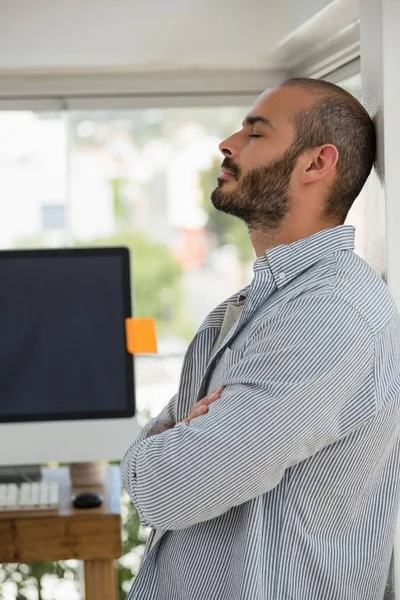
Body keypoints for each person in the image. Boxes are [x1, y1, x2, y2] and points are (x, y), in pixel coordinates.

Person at [121, 78, 400, 600]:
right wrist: (179, 436)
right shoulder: (263, 305)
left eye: (255, 132)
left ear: (316, 164)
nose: (227, 142)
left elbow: (169, 488)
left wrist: (150, 452)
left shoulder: (329, 314)